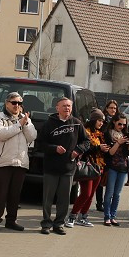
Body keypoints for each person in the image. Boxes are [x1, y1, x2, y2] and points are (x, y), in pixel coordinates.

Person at [36, 97, 87, 235]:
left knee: (64, 199)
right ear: (57, 108)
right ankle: (46, 223)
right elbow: (39, 144)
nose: (67, 108)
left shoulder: (77, 123)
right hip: (51, 168)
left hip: (68, 168)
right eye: (64, 106)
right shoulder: (48, 124)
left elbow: (86, 141)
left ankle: (59, 224)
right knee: (48, 199)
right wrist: (54, 148)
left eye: (69, 106)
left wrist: (77, 151)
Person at [0, 91, 35, 231]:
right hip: (4, 161)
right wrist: (19, 125)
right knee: (0, 194)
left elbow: (32, 136)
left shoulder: (25, 118)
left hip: (20, 162)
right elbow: (1, 134)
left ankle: (11, 221)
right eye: (14, 103)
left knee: (15, 194)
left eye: (19, 103)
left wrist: (25, 124)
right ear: (6, 103)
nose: (17, 106)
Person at [67, 110, 106, 228]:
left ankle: (83, 216)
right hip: (87, 166)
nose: (101, 123)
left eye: (103, 121)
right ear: (93, 120)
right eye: (99, 120)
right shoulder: (85, 131)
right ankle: (72, 216)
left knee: (91, 194)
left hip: (98, 166)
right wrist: (98, 148)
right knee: (86, 192)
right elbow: (84, 148)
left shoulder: (100, 134)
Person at [102, 114, 129, 226]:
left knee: (117, 194)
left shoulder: (124, 134)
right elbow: (110, 153)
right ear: (114, 122)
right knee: (109, 193)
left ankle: (113, 216)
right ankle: (107, 216)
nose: (122, 126)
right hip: (112, 166)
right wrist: (118, 143)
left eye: (124, 124)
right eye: (120, 124)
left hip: (123, 167)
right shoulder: (108, 133)